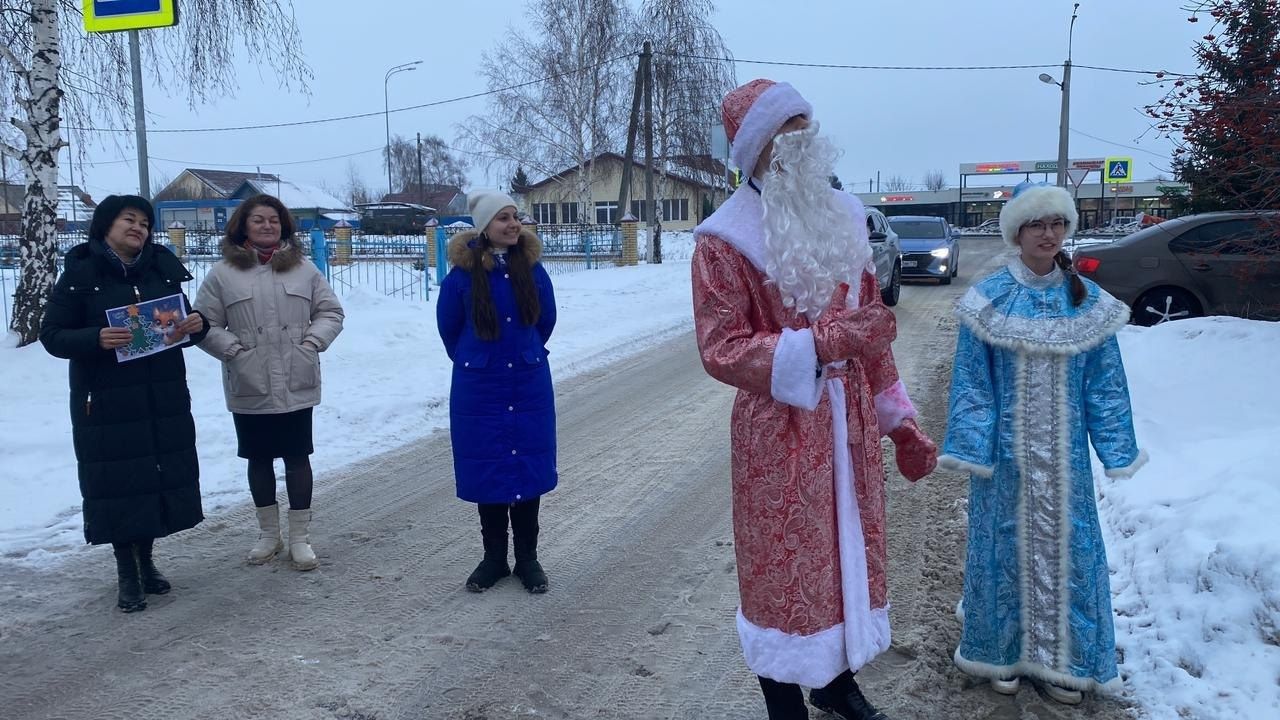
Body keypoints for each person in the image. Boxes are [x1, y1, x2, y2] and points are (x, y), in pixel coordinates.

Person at [691, 79, 938, 720]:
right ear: (758, 148)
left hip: (850, 421)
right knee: (784, 564)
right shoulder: (724, 240)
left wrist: (899, 420)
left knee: (844, 553)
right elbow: (722, 348)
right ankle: (783, 694)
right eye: (788, 129)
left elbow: (872, 333)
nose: (804, 140)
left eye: (807, 124)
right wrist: (823, 342)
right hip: (779, 428)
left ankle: (836, 679)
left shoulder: (846, 217)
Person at [939, 181, 1147, 705]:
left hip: (1065, 464)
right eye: (1037, 224)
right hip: (1005, 461)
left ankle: (1065, 662)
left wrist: (1117, 448)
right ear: (1017, 232)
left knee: (1070, 554)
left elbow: (1106, 384)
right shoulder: (990, 299)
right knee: (1002, 552)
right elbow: (971, 384)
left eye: (1057, 223)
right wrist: (973, 448)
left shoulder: (1088, 302)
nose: (1048, 233)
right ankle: (999, 653)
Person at [40, 195, 209, 613]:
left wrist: (198, 324)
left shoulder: (161, 271)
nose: (139, 228)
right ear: (105, 226)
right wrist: (94, 338)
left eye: (145, 223)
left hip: (160, 393)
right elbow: (53, 334)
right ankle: (126, 572)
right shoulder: (81, 274)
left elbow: (183, 323)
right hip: (106, 399)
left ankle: (147, 561)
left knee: (153, 475)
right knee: (119, 482)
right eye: (129, 220)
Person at [194, 194, 344, 571]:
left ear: (284, 226)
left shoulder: (304, 269)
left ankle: (299, 539)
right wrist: (233, 351)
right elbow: (203, 323)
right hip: (250, 380)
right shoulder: (223, 273)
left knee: (297, 457)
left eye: (273, 220)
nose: (266, 226)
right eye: (258, 220)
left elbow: (330, 311)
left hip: (296, 377)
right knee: (258, 458)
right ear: (243, 225)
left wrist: (311, 343)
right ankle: (267, 535)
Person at [437, 190, 557, 594]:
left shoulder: (533, 269)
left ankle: (527, 559)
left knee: (525, 466)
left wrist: (523, 351)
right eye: (503, 218)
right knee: (488, 468)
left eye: (515, 216)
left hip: (527, 380)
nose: (513, 224)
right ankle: (493, 559)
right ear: (484, 227)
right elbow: (450, 329)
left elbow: (546, 320)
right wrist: (478, 357)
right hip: (480, 386)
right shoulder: (461, 277)